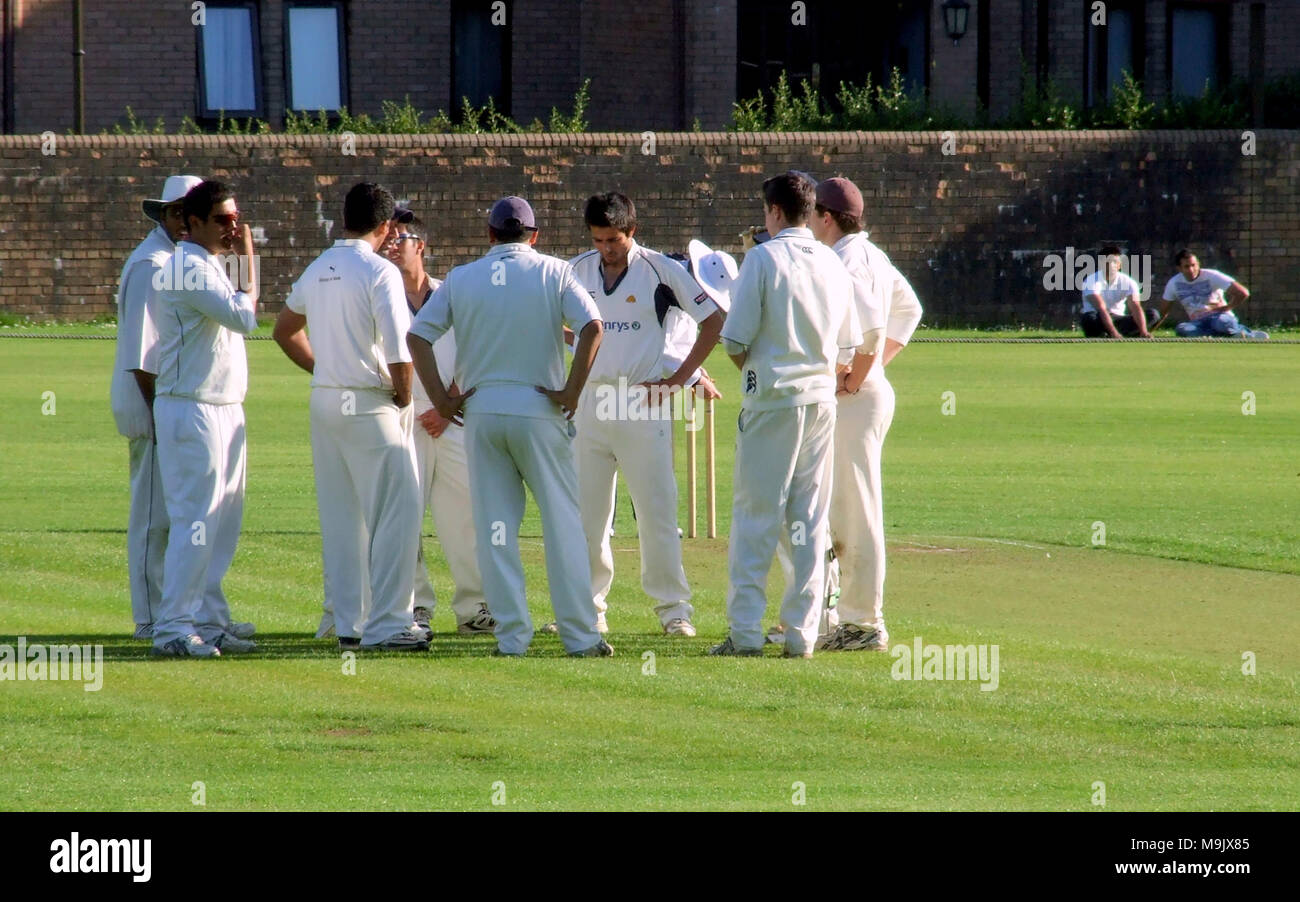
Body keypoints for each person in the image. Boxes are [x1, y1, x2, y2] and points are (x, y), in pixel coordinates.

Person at [407, 196, 611, 658]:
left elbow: (418, 335)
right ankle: (581, 638)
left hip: (482, 415)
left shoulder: (462, 278)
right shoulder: (555, 272)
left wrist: (442, 398)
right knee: (561, 523)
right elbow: (594, 327)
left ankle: (512, 638)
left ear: (491, 235)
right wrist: (573, 391)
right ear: (534, 236)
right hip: (539, 411)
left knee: (496, 528)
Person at [710, 171, 864, 659]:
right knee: (808, 521)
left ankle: (746, 635)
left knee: (757, 517)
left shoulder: (762, 258)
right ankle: (802, 636)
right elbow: (849, 345)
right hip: (820, 402)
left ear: (775, 211)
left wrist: (757, 372)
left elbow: (734, 341)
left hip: (773, 402)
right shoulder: (832, 261)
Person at [273, 183, 427, 651]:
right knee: (396, 515)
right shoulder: (379, 272)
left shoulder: (319, 266)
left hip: (327, 401)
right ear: (384, 228)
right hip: (369, 402)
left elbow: (283, 331)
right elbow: (401, 354)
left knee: (343, 518)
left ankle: (349, 625)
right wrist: (402, 398)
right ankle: (390, 624)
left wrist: (328, 369)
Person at [567, 193, 724, 637]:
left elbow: (713, 320)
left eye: (613, 239)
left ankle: (674, 611)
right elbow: (562, 325)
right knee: (588, 514)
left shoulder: (660, 268)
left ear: (631, 231)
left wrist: (678, 381)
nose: (606, 249)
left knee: (656, 511)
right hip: (591, 402)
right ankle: (586, 608)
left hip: (642, 402)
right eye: (598, 240)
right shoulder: (577, 269)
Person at [807, 176, 923, 652]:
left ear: (827, 217)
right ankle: (832, 615)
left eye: (813, 214)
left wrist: (855, 376)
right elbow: (909, 309)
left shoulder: (845, 260)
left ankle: (863, 623)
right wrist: (870, 370)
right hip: (861, 393)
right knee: (836, 508)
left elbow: (875, 327)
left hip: (854, 399)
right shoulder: (870, 253)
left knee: (855, 512)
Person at [150, 180, 259, 657]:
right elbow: (243, 317)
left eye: (235, 218)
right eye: (222, 219)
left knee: (221, 523)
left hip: (222, 406)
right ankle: (173, 626)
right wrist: (250, 265)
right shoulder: (186, 268)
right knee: (195, 520)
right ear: (191, 223)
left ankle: (209, 621)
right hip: (191, 407)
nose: (233, 227)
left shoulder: (208, 264)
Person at [383, 208, 495, 637]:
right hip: (400, 415)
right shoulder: (380, 292)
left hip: (451, 415)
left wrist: (446, 407)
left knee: (463, 515)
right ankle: (414, 606)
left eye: (401, 239)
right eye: (387, 239)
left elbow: (476, 350)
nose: (392, 246)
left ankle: (474, 608)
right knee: (404, 513)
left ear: (421, 246)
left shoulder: (453, 292)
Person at [111, 173, 203, 641]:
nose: (186, 222)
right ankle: (149, 618)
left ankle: (185, 613)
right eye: (179, 213)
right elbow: (143, 356)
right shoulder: (153, 265)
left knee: (178, 513)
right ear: (166, 215)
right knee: (154, 517)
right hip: (152, 408)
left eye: (193, 213)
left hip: (169, 404)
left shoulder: (178, 261)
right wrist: (160, 416)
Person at [1154, 250, 1268, 339]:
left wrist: (1227, 307)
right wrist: (1147, 332)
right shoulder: (1174, 283)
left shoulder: (1212, 275)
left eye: (1194, 265)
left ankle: (1245, 333)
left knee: (1221, 324)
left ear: (1198, 264)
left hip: (1218, 316)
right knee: (1182, 329)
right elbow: (1163, 311)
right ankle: (1232, 335)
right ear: (1179, 268)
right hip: (1198, 323)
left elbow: (1243, 292)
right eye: (1187, 267)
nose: (1191, 269)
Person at [1079, 246, 1153, 338]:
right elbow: (1101, 308)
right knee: (1089, 318)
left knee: (1152, 314)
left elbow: (1135, 306)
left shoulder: (1128, 282)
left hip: (1118, 319)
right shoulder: (1091, 281)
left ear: (1119, 265)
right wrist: (1114, 333)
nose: (1111, 265)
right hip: (1099, 319)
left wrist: (1144, 331)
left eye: (1114, 262)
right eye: (1107, 262)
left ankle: (1127, 333)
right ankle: (1106, 334)